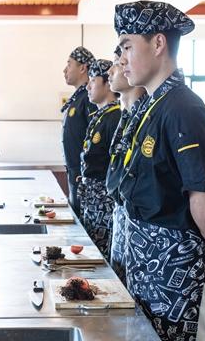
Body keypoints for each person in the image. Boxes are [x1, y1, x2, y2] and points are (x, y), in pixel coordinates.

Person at [113, 1, 205, 340]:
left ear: (158, 44)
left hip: (178, 270)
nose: (122, 58)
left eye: (127, 46)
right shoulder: (150, 106)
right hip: (147, 265)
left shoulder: (183, 107)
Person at [106, 46, 147, 282]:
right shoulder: (126, 117)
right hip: (121, 219)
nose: (112, 71)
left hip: (142, 229)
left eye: (118, 64)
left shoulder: (148, 116)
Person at [78, 58, 122, 260]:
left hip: (103, 201)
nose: (87, 86)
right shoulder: (101, 115)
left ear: (107, 82)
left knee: (100, 259)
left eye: (93, 80)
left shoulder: (114, 117)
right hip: (92, 200)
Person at [61, 46, 97, 218]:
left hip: (83, 178)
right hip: (74, 175)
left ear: (83, 68)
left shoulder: (89, 98)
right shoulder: (78, 98)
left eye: (69, 64)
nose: (64, 70)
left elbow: (94, 139)